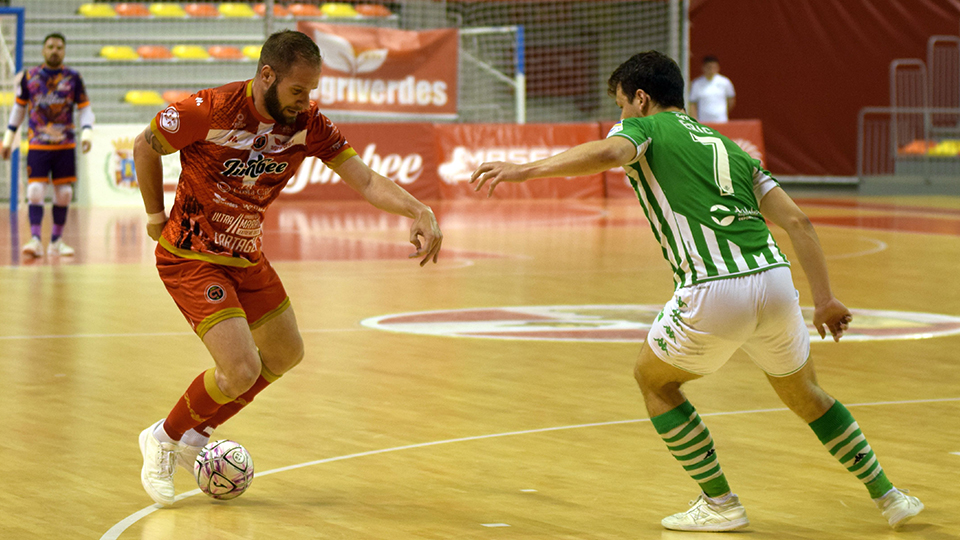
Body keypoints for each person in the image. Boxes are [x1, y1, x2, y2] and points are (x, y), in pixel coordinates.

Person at [470, 51, 922, 532]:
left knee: (655, 381)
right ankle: (890, 497)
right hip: (775, 283)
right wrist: (826, 299)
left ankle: (721, 503)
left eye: (621, 105)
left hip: (713, 287)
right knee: (806, 393)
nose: (620, 116)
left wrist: (525, 169)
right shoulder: (733, 148)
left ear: (641, 99)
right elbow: (798, 222)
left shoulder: (645, 129)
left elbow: (608, 154)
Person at [132, 30, 442, 507]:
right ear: (267, 76)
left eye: (312, 91)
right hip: (192, 258)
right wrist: (155, 217)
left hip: (246, 256)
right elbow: (145, 145)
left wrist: (418, 210)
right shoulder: (208, 110)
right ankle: (164, 438)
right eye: (298, 90)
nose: (305, 101)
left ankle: (199, 433)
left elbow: (364, 178)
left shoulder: (309, 124)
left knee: (285, 353)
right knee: (239, 369)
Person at [1, 32, 94, 257]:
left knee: (64, 194)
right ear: (43, 50)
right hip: (38, 144)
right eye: (50, 47)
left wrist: (87, 131)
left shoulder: (73, 78)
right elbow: (19, 108)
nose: (55, 51)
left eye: (59, 47)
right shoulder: (30, 77)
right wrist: (8, 138)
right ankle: (34, 239)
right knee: (34, 191)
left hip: (65, 145)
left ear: (64, 51)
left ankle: (56, 241)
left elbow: (84, 108)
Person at [688, 55, 735, 123]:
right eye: (709, 67)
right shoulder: (697, 83)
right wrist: (695, 119)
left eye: (714, 67)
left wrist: (721, 112)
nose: (711, 70)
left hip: (721, 121)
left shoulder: (725, 82)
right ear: (703, 67)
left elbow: (730, 101)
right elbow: (692, 103)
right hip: (703, 121)